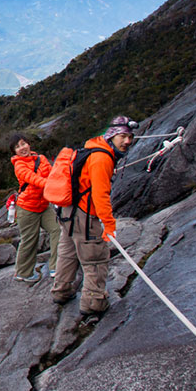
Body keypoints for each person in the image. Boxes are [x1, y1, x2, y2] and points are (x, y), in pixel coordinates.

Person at [51, 115, 137, 315]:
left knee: (68, 252)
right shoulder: (102, 158)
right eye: (123, 136)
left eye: (130, 137)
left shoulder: (94, 147)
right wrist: (109, 225)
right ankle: (93, 303)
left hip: (67, 211)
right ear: (112, 136)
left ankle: (61, 291)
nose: (127, 142)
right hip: (83, 214)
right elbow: (100, 195)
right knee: (95, 258)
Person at [10, 133, 61, 283]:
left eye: (23, 144)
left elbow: (53, 174)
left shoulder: (42, 159)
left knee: (57, 230)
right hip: (27, 209)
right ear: (14, 151)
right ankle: (23, 273)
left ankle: (56, 267)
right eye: (17, 147)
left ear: (29, 144)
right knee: (29, 240)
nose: (22, 148)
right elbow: (34, 179)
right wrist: (51, 185)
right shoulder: (19, 165)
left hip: (44, 206)